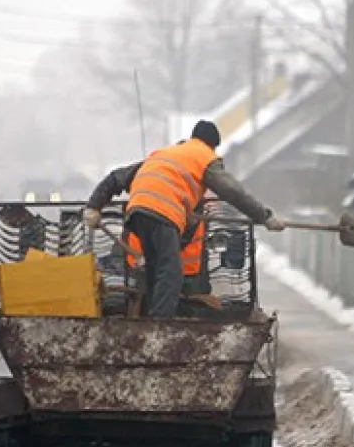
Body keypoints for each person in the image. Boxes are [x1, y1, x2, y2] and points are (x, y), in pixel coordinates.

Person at [83, 120, 285, 318]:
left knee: (156, 269)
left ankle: (150, 319)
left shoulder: (164, 155)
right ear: (213, 145)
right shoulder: (204, 158)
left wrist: (94, 207)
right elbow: (233, 192)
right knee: (172, 272)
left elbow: (115, 178)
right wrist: (264, 215)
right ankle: (161, 325)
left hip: (137, 212)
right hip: (162, 213)